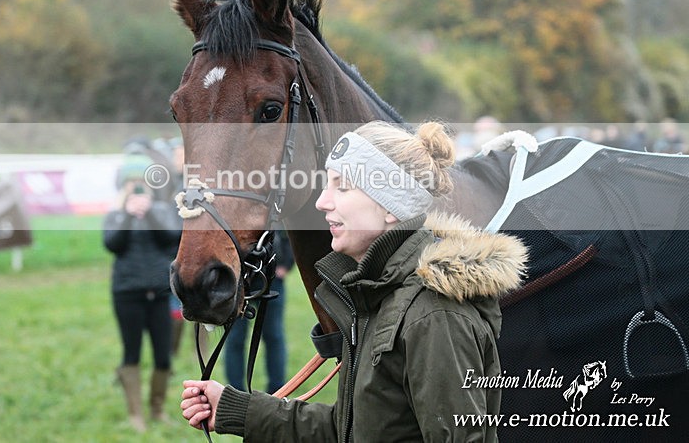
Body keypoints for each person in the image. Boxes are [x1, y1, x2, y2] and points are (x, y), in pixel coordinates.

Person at [180, 121, 528, 442]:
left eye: (342, 187)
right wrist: (233, 408)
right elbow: (346, 430)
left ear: (390, 206)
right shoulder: (379, 294)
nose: (322, 202)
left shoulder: (433, 314)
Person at [103, 153, 182, 432]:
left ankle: (157, 409)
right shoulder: (115, 214)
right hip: (127, 293)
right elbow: (112, 244)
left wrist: (147, 212)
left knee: (163, 356)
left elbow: (172, 238)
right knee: (131, 354)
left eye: (141, 182)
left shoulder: (160, 210)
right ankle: (136, 414)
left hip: (158, 294)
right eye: (131, 183)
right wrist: (128, 214)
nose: (136, 187)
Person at [223, 228, 293, 394]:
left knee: (273, 335)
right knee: (235, 337)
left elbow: (289, 231)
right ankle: (235, 392)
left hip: (270, 276)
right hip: (237, 277)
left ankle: (277, 391)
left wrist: (286, 263)